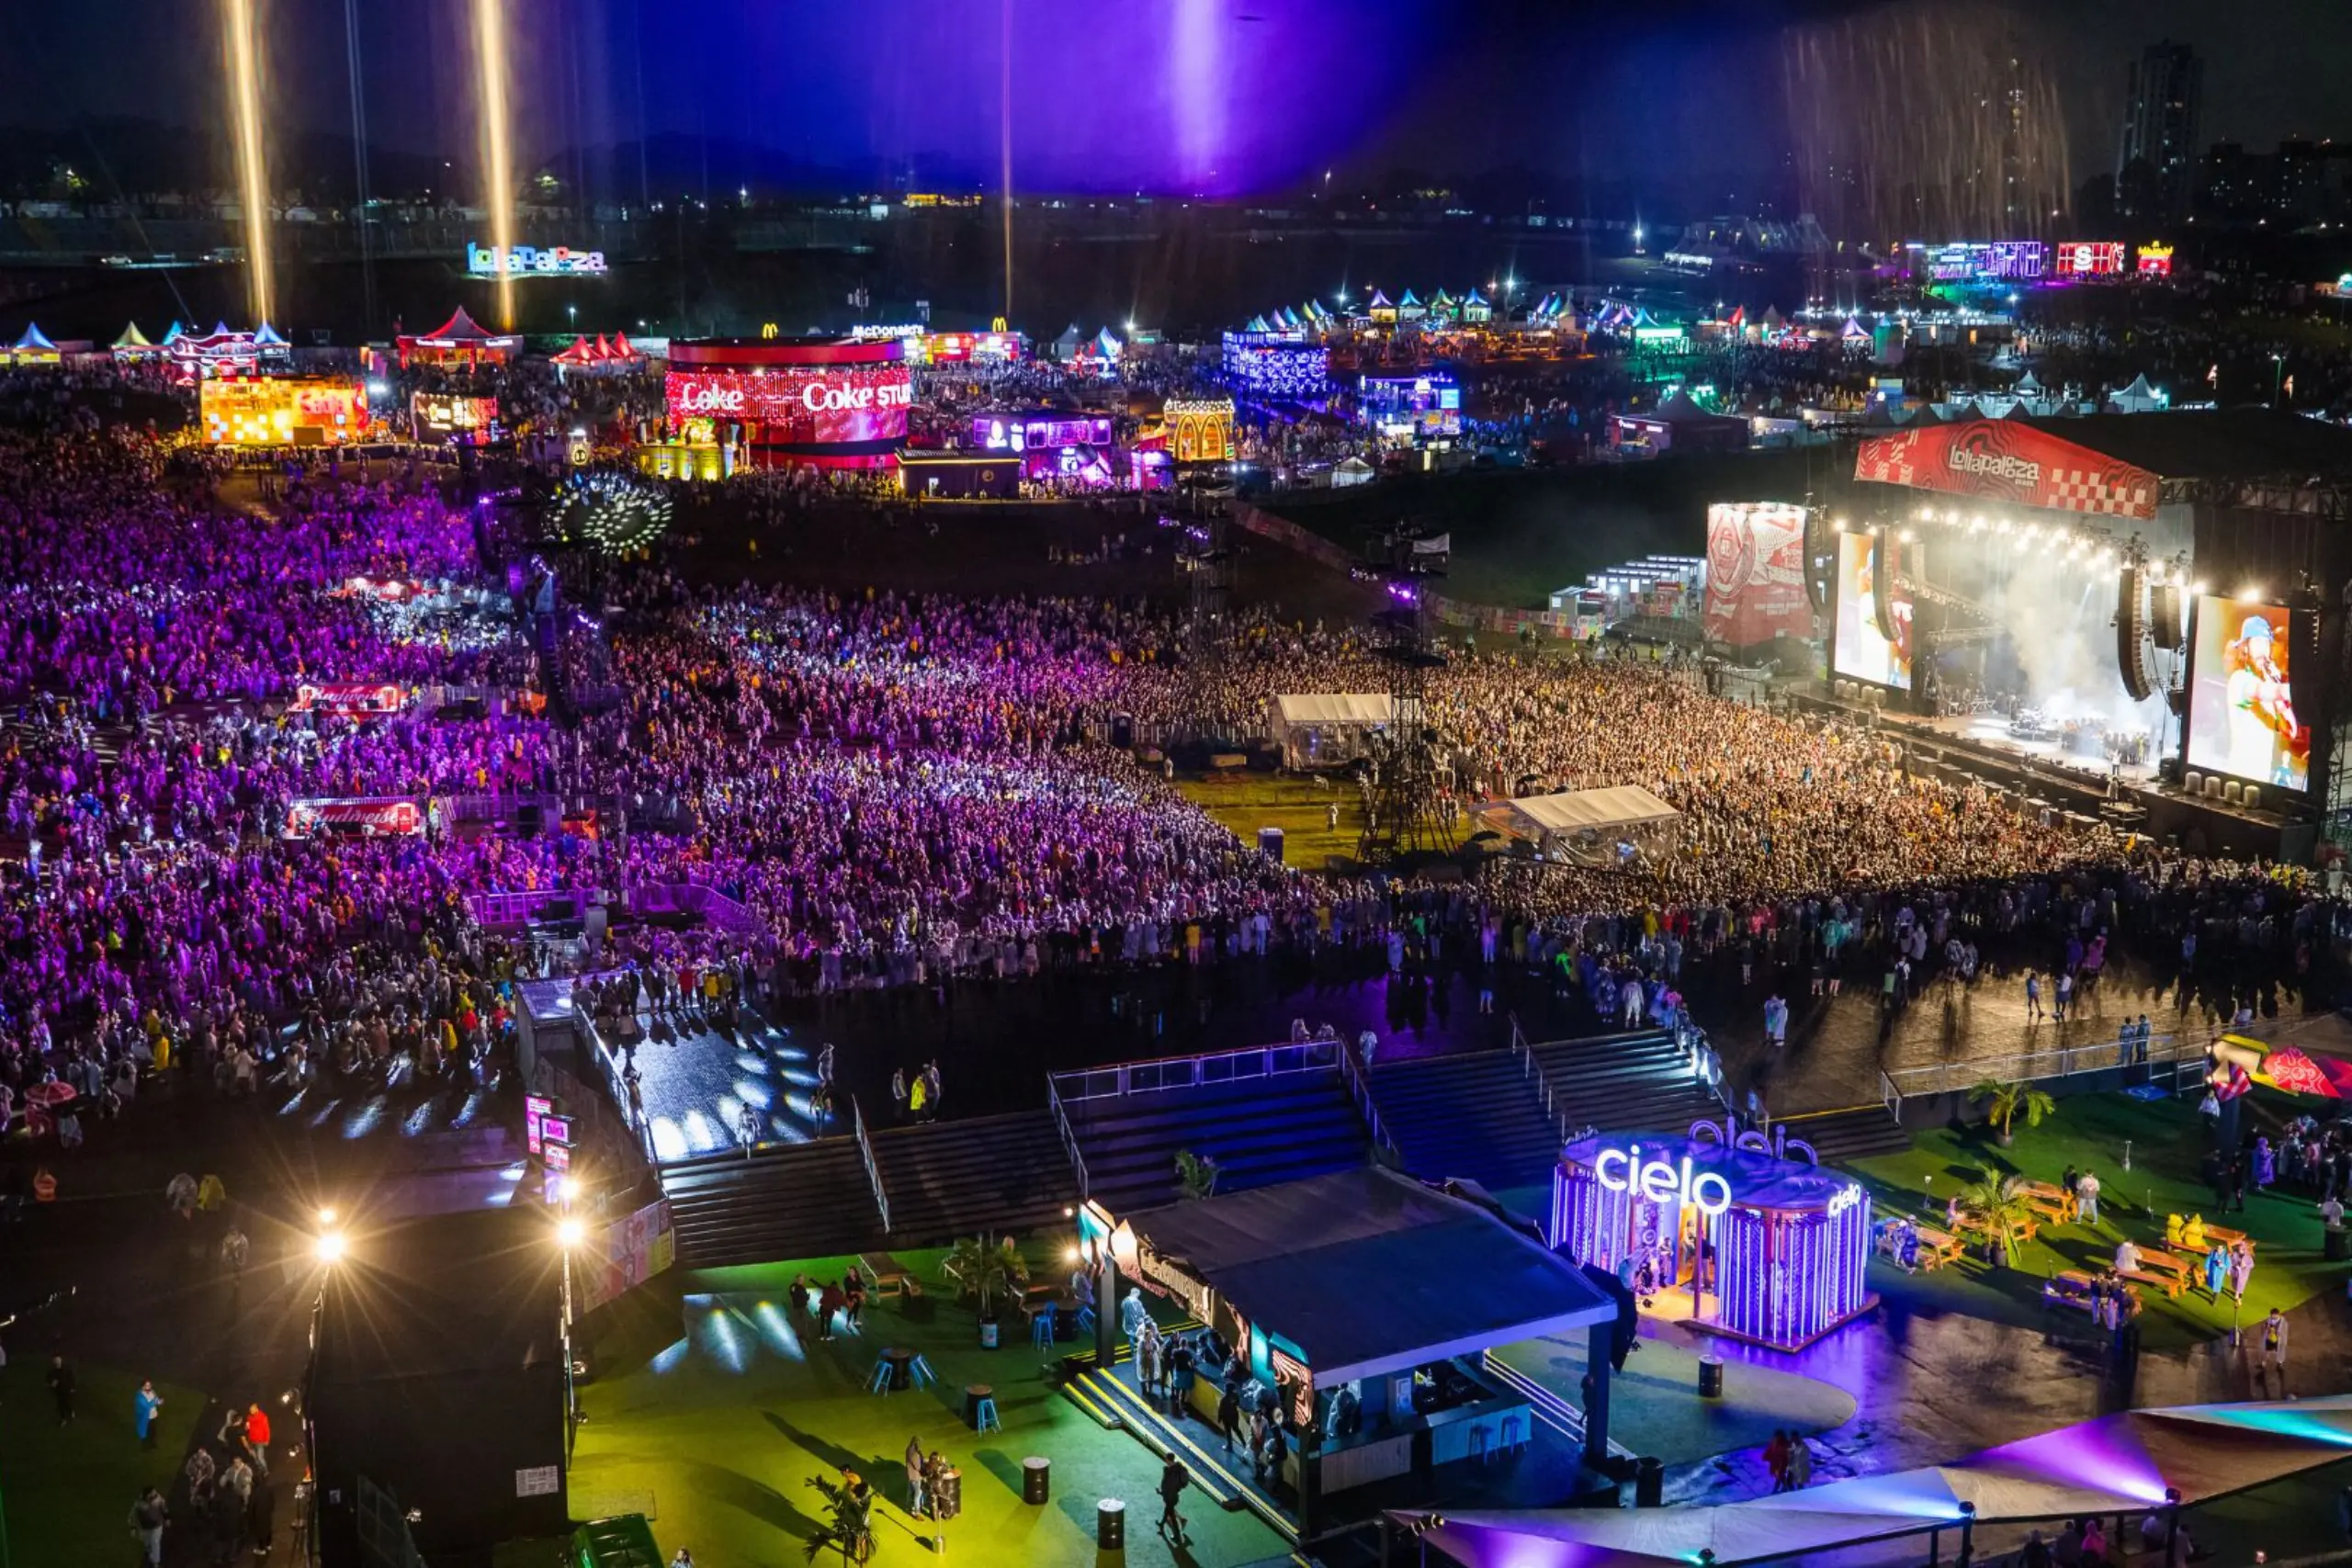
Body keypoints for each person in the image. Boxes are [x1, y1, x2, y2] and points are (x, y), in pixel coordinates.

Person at [129, 1485, 168, 1567]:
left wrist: (167, 1518)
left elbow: (164, 1508)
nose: (154, 1494)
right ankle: (150, 1553)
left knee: (155, 1542)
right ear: (147, 1495)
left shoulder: (158, 1499)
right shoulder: (139, 1504)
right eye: (152, 1493)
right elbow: (133, 1515)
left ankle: (156, 1563)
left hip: (157, 1525)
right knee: (148, 1544)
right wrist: (133, 1527)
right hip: (145, 1528)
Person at [1157, 1456, 1190, 1547]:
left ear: (1168, 1460)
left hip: (1170, 1496)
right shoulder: (1178, 1470)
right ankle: (1162, 1524)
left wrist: (1162, 1492)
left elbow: (1167, 1484)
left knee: (1171, 1515)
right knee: (1167, 1512)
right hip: (1173, 1495)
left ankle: (1177, 1535)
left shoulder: (1169, 1471)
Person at [243, 1400, 273, 1477]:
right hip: (251, 1440)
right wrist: (246, 1428)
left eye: (252, 1409)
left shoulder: (263, 1417)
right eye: (250, 1409)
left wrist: (267, 1440)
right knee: (255, 1457)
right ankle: (260, 1469)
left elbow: (267, 1429)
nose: (250, 1411)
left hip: (260, 1441)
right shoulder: (249, 1417)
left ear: (256, 1408)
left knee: (260, 1457)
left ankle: (266, 1470)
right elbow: (247, 1428)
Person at [134, 1379, 164, 1448]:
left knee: (153, 1432)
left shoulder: (152, 1392)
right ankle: (144, 1446)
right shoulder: (140, 1396)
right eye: (147, 1385)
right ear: (143, 1387)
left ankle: (152, 1443)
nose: (149, 1386)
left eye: (150, 1385)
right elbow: (147, 1405)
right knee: (145, 1433)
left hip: (153, 1416)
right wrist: (154, 1402)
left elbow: (156, 1400)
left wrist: (159, 1402)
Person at [905, 1435, 929, 1518]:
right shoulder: (914, 1453)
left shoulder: (909, 1449)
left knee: (913, 1493)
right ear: (916, 1443)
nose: (920, 1445)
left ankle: (912, 1508)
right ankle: (917, 1511)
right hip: (916, 1477)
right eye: (919, 1443)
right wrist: (926, 1471)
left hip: (911, 1476)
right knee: (918, 1494)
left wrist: (924, 1459)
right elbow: (918, 1467)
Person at [48, 1352, 74, 1424]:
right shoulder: (52, 1372)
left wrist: (72, 1387)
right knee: (60, 1405)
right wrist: (52, 1384)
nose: (57, 1363)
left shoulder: (66, 1369)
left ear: (60, 1361)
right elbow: (49, 1380)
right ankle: (63, 1419)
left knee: (67, 1403)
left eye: (58, 1361)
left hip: (66, 1389)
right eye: (55, 1361)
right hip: (58, 1391)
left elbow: (71, 1378)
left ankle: (71, 1412)